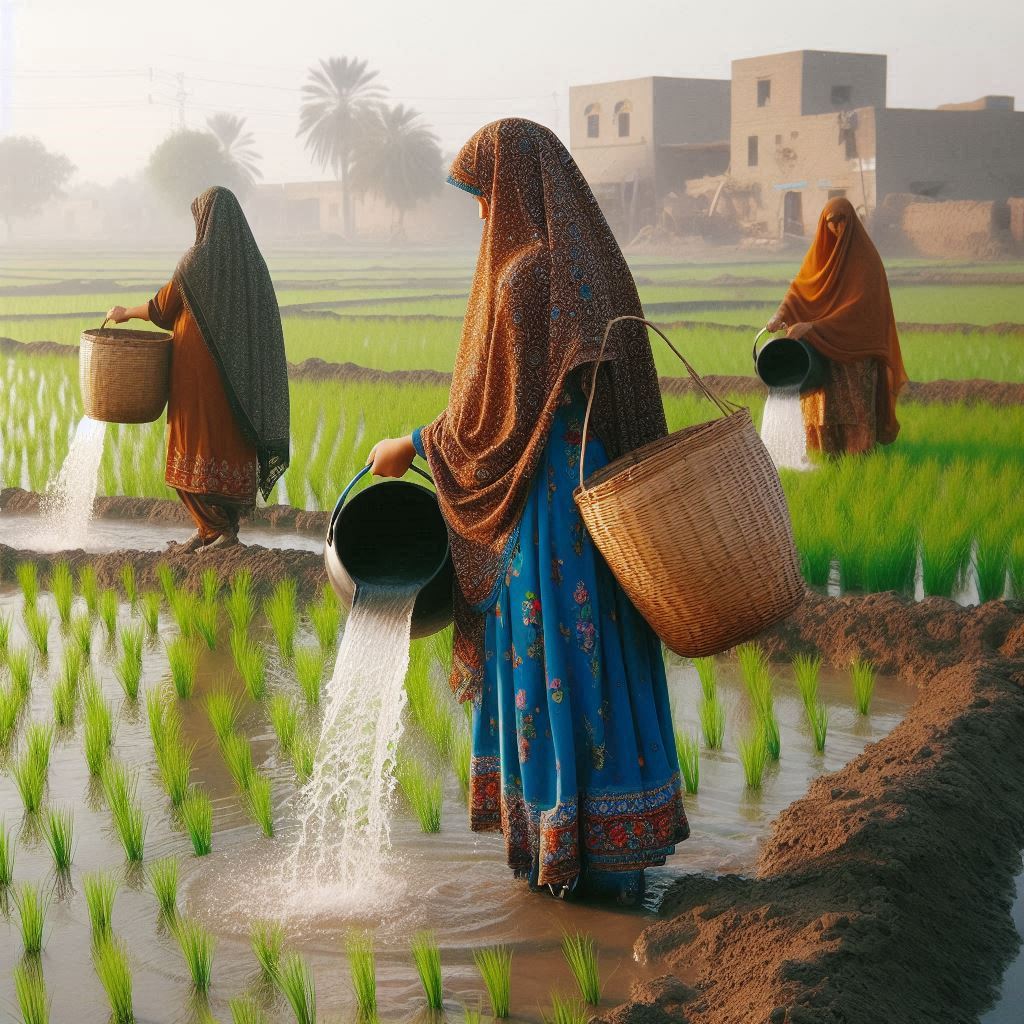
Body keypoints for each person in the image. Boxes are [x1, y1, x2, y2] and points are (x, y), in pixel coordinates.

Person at [368, 119, 689, 904]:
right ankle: (616, 845)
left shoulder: (522, 276)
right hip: (596, 489)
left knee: (547, 658)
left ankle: (561, 843)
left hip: (542, 503)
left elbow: (500, 417)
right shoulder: (589, 264)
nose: (482, 214)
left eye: (482, 195)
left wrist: (410, 443)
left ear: (510, 187)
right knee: (600, 656)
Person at [106, 186, 290, 551]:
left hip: (198, 377)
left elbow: (162, 307)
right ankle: (213, 529)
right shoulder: (252, 266)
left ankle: (215, 528)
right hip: (238, 384)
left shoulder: (197, 261)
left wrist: (124, 313)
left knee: (192, 448)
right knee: (227, 443)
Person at [765, 196, 908, 455]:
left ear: (851, 222)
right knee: (826, 407)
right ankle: (828, 459)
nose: (837, 228)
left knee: (855, 408)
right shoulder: (819, 258)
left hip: (856, 351)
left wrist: (811, 328)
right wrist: (779, 315)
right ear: (823, 225)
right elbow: (800, 292)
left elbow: (859, 309)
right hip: (824, 351)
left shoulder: (867, 262)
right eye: (831, 223)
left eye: (842, 221)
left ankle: (860, 460)